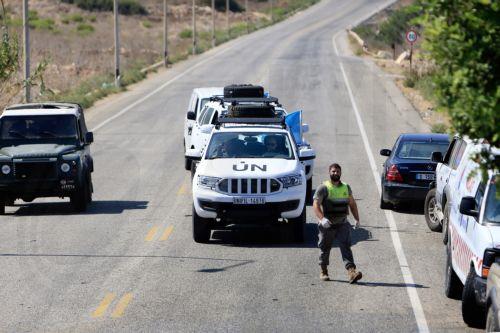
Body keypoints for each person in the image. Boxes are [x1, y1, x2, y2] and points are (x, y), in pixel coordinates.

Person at [313, 163, 362, 283]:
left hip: (342, 223)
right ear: (329, 173)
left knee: (346, 247)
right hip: (327, 225)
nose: (335, 173)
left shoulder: (346, 187)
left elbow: (352, 204)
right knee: (325, 248)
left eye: (337, 171)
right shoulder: (323, 188)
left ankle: (351, 272)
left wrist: (357, 219)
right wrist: (321, 219)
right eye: (333, 171)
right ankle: (324, 271)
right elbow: (316, 204)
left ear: (341, 173)